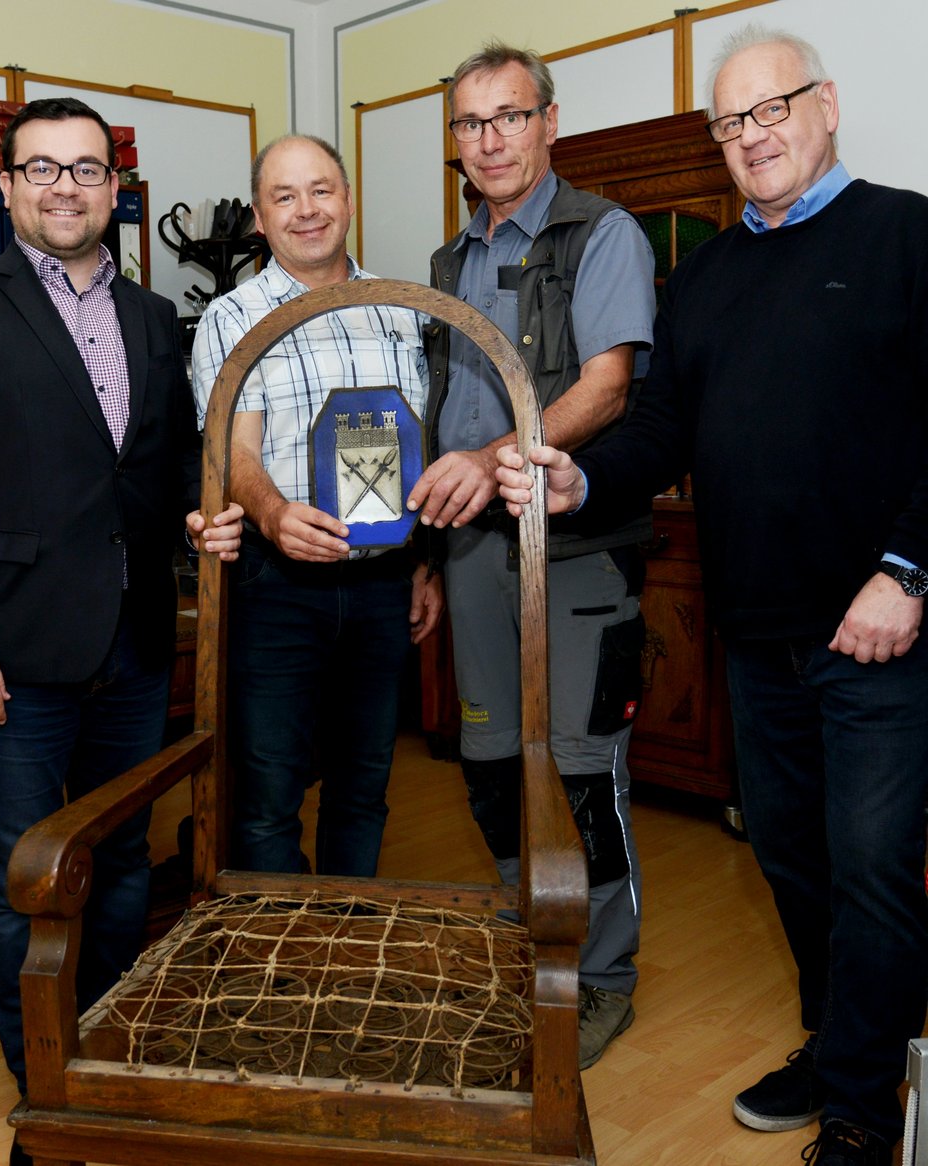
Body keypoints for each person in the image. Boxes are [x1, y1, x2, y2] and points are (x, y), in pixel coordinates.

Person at [497, 23, 928, 1166]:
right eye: (731, 121)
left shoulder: (907, 234)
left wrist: (906, 570)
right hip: (756, 633)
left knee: (873, 868)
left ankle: (862, 1105)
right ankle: (838, 1043)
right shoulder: (702, 278)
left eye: (771, 108)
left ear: (826, 104)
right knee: (791, 859)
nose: (752, 135)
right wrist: (581, 476)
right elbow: (659, 432)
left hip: (880, 629)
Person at [0, 97, 242, 1166]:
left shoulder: (151, 315)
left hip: (134, 644)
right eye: (42, 168)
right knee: (22, 881)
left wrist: (199, 515)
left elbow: (159, 465)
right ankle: (47, 1092)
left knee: (124, 862)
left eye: (87, 168)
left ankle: (103, 1055)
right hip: (7, 654)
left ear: (114, 188)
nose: (65, 187)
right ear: (6, 187)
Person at [404, 43, 656, 1068]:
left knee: (580, 777)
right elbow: (440, 412)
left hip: (577, 551)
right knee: (493, 768)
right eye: (470, 123)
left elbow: (606, 387)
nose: (490, 139)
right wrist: (427, 555)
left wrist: (489, 459)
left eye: (510, 116)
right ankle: (534, 946)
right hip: (471, 556)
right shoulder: (447, 264)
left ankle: (599, 978)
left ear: (550, 122)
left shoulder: (602, 233)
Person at [192, 134, 441, 879]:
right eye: (285, 196)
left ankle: (349, 935)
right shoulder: (231, 318)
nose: (307, 210)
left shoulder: (403, 312)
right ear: (259, 218)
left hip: (382, 587)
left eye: (321, 190)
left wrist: (422, 565)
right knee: (268, 796)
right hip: (277, 587)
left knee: (364, 788)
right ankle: (284, 947)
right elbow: (231, 455)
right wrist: (272, 515)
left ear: (349, 200)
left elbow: (423, 447)